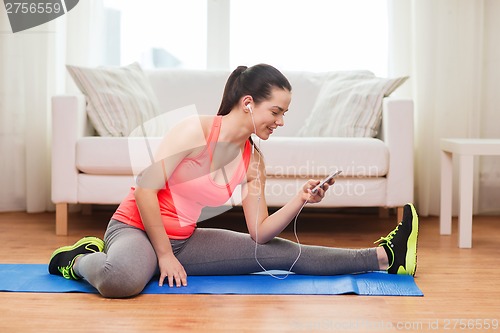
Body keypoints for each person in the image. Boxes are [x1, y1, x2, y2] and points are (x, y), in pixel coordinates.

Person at [49, 64, 419, 298]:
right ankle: (80, 258)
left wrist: (299, 199)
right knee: (122, 281)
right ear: (247, 103)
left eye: (285, 113)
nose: (281, 121)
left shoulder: (254, 159)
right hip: (136, 228)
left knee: (283, 254)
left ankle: (386, 256)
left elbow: (259, 232)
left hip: (186, 240)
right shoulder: (195, 129)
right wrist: (163, 256)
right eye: (275, 111)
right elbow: (146, 190)